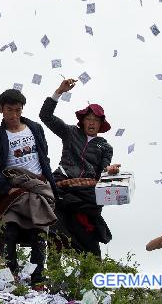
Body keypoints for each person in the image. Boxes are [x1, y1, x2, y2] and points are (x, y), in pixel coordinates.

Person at [0, 88, 58, 288]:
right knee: (8, 232)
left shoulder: (35, 129)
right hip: (12, 193)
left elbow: (44, 157)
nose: (14, 115)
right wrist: (6, 186)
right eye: (9, 110)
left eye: (18, 110)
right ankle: (9, 277)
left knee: (39, 233)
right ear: (1, 109)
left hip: (38, 189)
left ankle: (38, 279)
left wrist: (44, 182)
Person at [40, 78, 120, 257]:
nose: (92, 123)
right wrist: (58, 91)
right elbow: (45, 116)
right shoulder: (70, 133)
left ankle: (89, 274)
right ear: (83, 121)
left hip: (87, 193)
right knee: (55, 230)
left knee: (89, 234)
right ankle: (52, 275)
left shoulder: (105, 146)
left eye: (96, 120)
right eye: (89, 119)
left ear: (101, 125)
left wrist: (111, 170)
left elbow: (104, 169)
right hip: (62, 185)